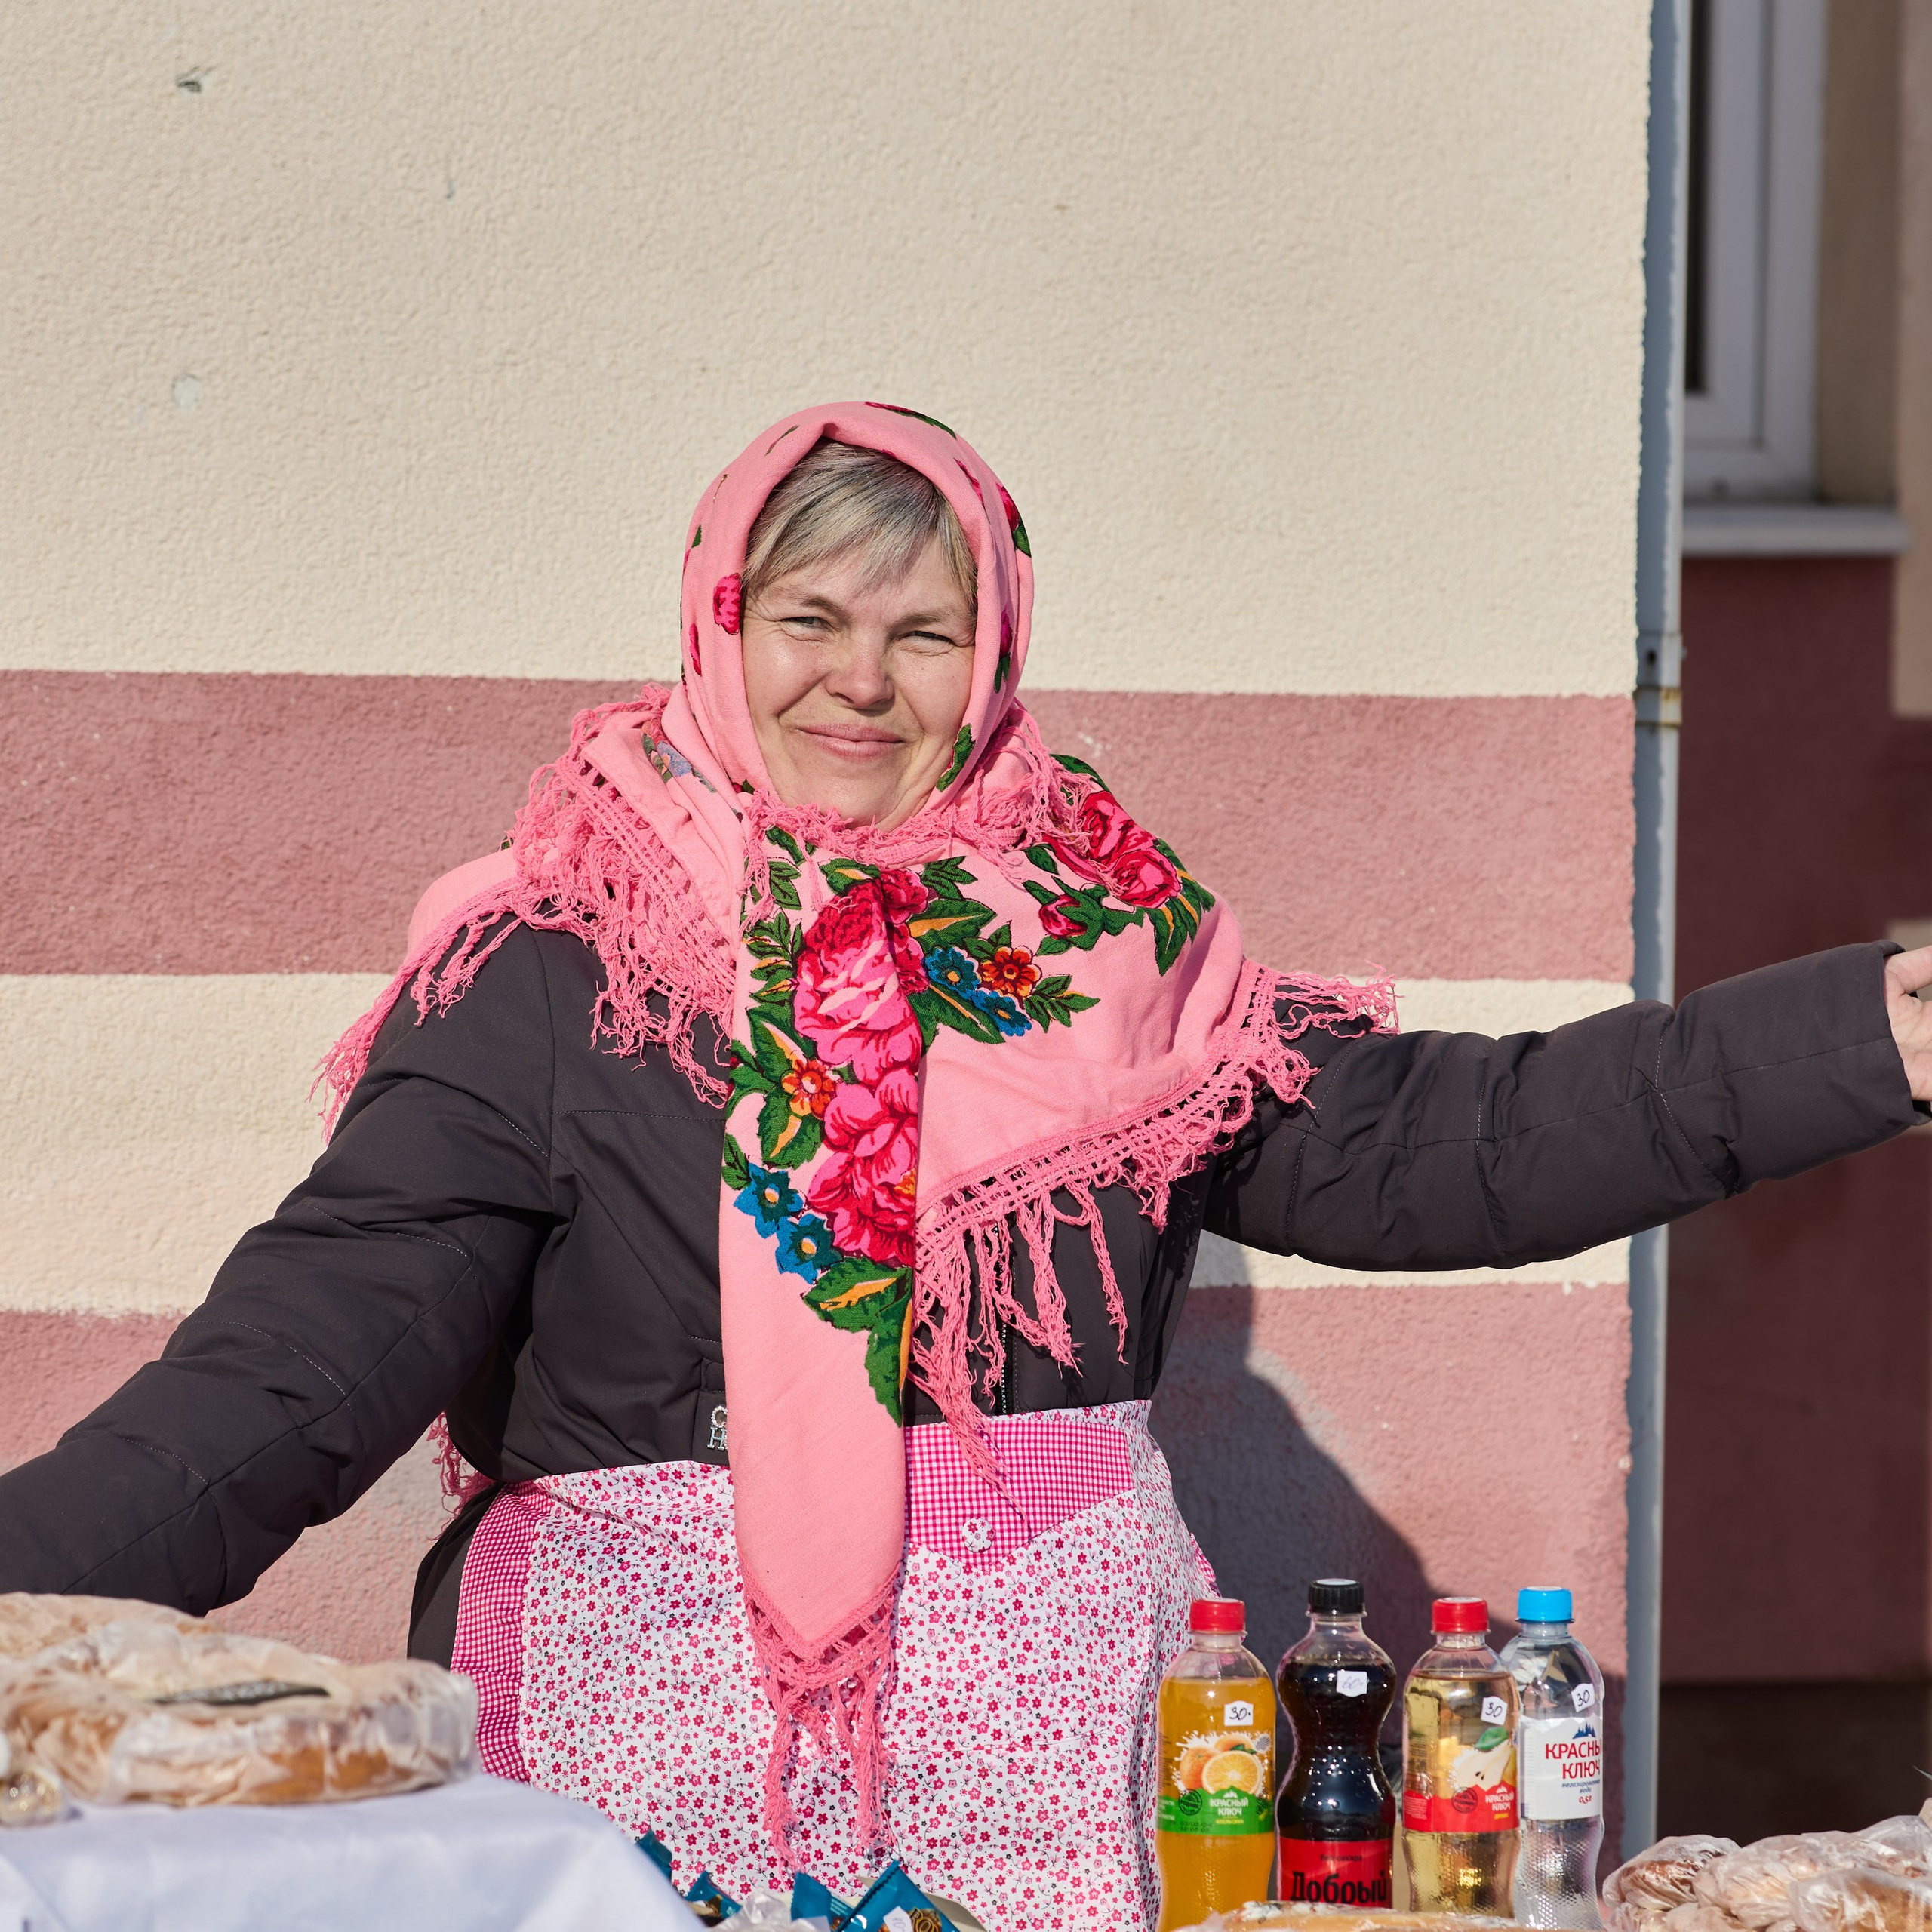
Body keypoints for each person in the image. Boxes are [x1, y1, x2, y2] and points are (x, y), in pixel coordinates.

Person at [0, 401, 1924, 1930]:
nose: (860, 681)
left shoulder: (1109, 943)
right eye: (807, 621)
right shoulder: (555, 966)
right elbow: (295, 1371)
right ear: (716, 626)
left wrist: (1877, 1031)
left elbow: (1454, 1143)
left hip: (1058, 1783)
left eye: (921, 631)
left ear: (988, 653)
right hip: (643, 1759)